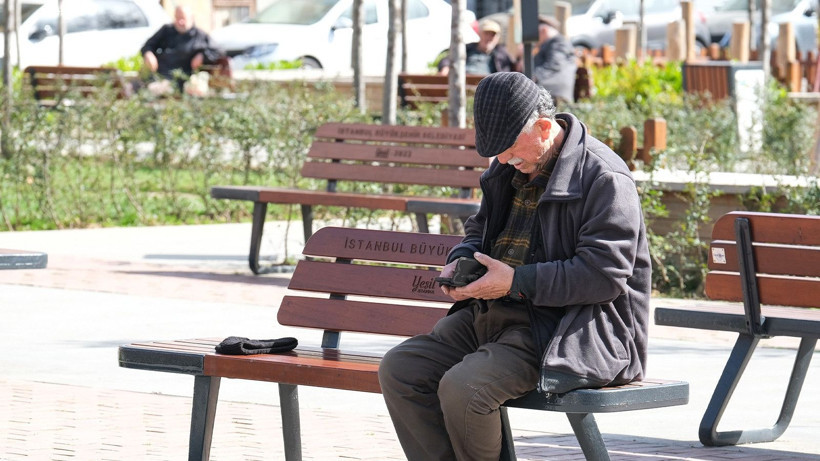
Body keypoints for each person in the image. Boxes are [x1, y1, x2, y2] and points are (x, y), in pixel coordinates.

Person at [378, 72, 651, 461]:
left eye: (508, 149)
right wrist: (462, 262)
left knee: (466, 389)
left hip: (567, 330)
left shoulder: (603, 175)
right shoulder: (506, 169)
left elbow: (604, 275)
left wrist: (515, 281)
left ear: (544, 127)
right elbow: (479, 231)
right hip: (494, 316)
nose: (503, 159)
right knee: (402, 369)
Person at [140, 5, 223, 86]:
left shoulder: (200, 36)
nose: (180, 22)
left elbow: (218, 50)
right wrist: (148, 54)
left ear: (191, 18)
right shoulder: (166, 30)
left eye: (183, 18)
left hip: (184, 80)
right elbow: (148, 46)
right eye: (177, 18)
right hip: (160, 74)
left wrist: (202, 56)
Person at [438, 18, 519, 76]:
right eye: (486, 33)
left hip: (490, 88)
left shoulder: (502, 53)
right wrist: (445, 67)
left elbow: (515, 68)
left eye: (492, 35)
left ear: (497, 38)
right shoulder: (467, 48)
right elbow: (448, 59)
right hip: (465, 83)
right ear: (480, 34)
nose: (489, 38)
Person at [532, 15, 577, 104]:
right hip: (548, 91)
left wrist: (532, 77)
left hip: (554, 92)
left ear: (544, 30)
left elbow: (554, 64)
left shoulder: (559, 42)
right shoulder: (552, 43)